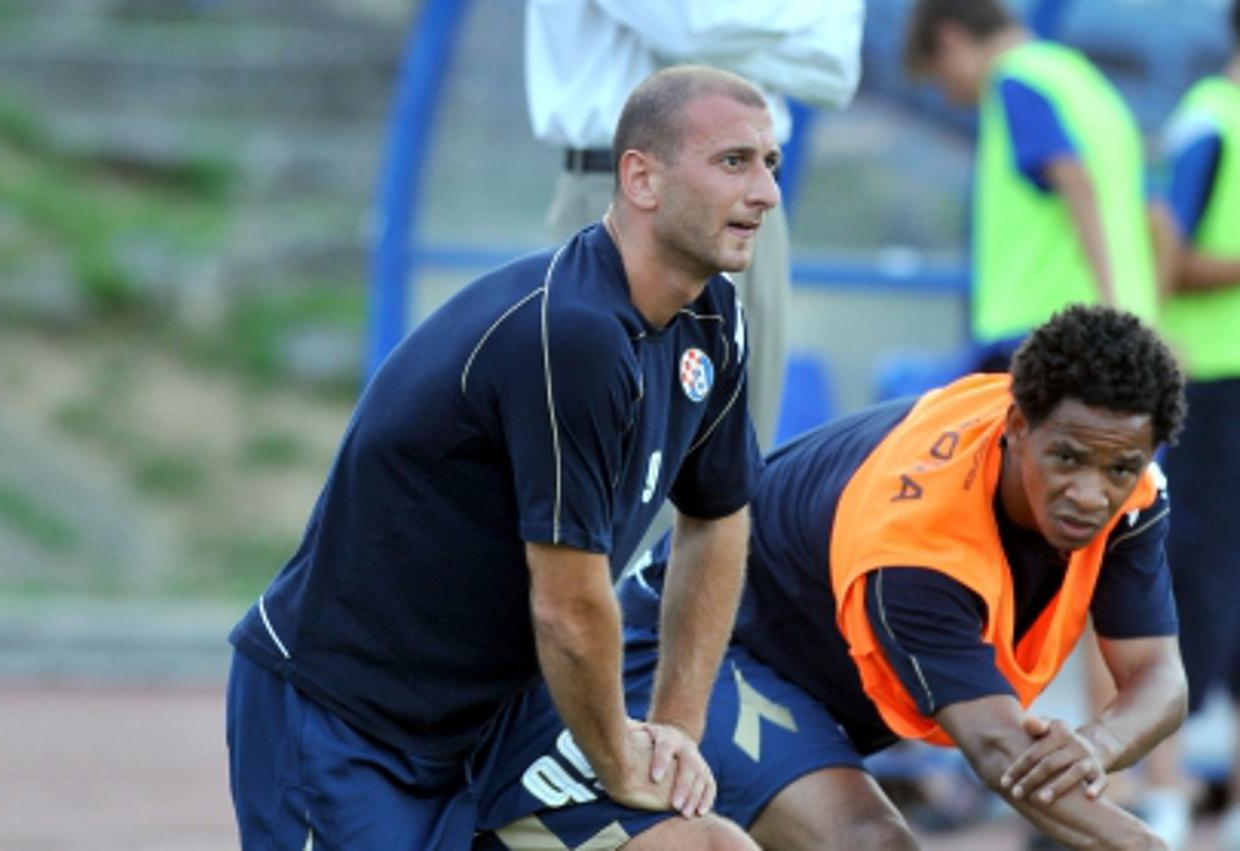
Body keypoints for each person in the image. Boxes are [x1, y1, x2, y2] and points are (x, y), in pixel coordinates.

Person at [225, 65, 779, 850]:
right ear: (641, 178)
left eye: (771, 164)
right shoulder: (574, 332)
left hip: (505, 718)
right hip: (352, 722)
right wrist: (620, 760)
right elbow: (567, 605)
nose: (766, 193)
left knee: (708, 844)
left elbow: (718, 518)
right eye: (734, 162)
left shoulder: (714, 313)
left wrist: (673, 731)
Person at [474, 305, 1189, 850]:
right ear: (1015, 426)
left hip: (811, 677)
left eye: (1119, 467)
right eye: (1067, 460)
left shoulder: (1126, 479)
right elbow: (1003, 754)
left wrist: (1095, 743)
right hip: (697, 648)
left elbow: (1158, 676)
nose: (1091, 494)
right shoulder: (917, 545)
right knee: (868, 843)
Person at [525, 0, 865, 451]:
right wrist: (800, 17)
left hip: (759, 205)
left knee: (738, 471)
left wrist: (719, 43)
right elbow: (688, 26)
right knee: (622, 464)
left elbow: (837, 73)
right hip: (634, 191)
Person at [903, 0, 1159, 372]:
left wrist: (1110, 312)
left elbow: (1074, 180)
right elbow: (1152, 213)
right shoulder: (1084, 82)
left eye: (939, 76)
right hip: (1116, 325)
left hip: (1044, 331)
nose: (948, 95)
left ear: (951, 39)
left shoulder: (1016, 80)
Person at [1138, 5, 1240, 847]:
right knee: (1188, 576)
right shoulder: (1209, 120)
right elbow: (1166, 250)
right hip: (1212, 384)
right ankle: (1163, 792)